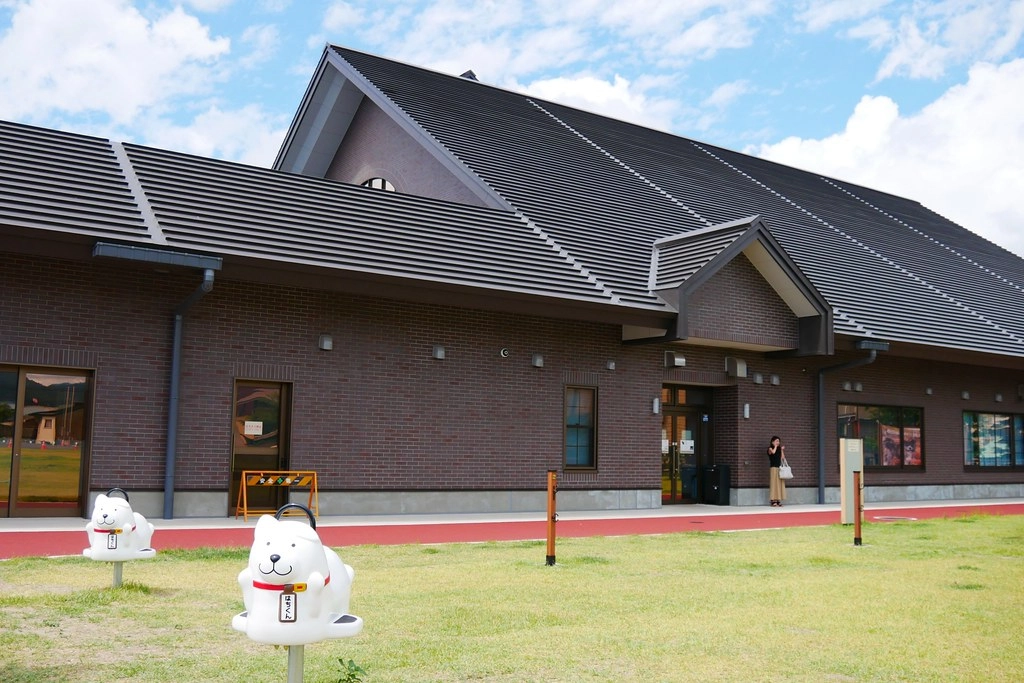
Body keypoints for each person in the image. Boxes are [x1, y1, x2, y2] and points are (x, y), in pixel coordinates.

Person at [767, 436, 787, 507]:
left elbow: (783, 457)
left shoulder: (779, 449)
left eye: (778, 441)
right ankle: (773, 500)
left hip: (779, 468)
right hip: (773, 468)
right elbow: (773, 452)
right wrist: (775, 446)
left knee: (779, 484)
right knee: (774, 484)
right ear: (772, 441)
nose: (778, 442)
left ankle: (778, 500)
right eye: (776, 441)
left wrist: (781, 450)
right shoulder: (770, 448)